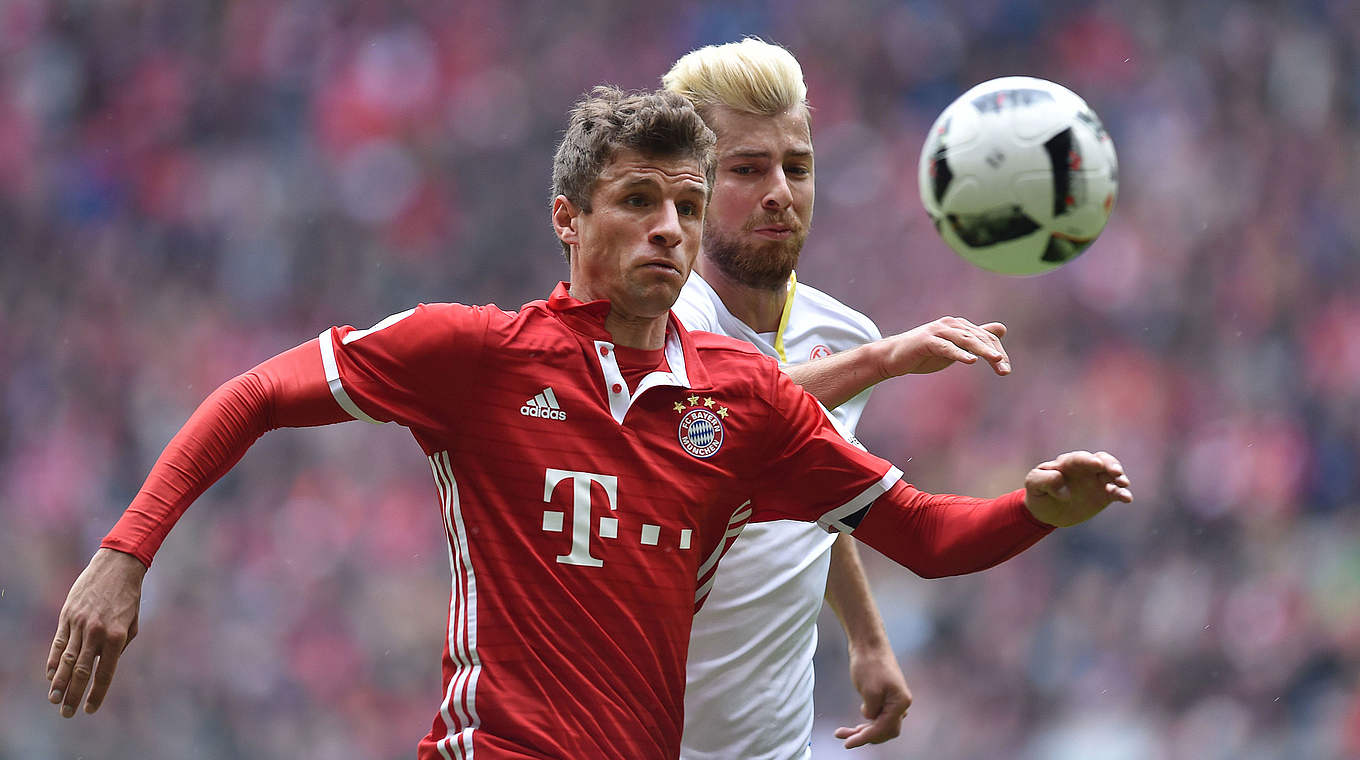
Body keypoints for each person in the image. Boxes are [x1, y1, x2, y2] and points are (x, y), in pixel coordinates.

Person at [45, 86, 1132, 760]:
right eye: (636, 202)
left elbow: (927, 536)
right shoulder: (472, 354)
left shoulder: (744, 403)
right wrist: (124, 553)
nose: (668, 228)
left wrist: (1036, 508)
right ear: (568, 219)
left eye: (686, 208)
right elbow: (255, 395)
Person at [662, 38, 1019, 759]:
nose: (779, 191)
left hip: (772, 742)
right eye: (747, 169)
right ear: (689, 184)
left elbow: (819, 483)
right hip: (640, 735)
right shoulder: (656, 316)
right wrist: (881, 361)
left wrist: (866, 636)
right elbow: (711, 417)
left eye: (797, 166)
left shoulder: (842, 333)